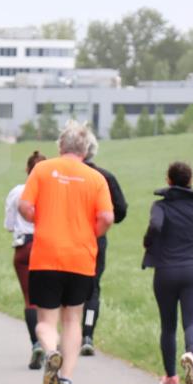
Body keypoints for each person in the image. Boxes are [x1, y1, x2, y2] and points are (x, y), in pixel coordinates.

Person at [18, 121, 113, 384]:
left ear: (60, 146)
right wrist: (90, 233)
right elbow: (107, 217)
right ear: (85, 150)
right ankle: (67, 381)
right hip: (81, 257)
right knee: (73, 319)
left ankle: (50, 352)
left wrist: (39, 220)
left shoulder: (42, 170)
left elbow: (25, 206)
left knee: (46, 321)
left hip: (46, 254)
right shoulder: (96, 178)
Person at [141, 162, 193, 384]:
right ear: (190, 180)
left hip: (165, 272)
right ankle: (191, 353)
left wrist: (149, 241)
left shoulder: (160, 207)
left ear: (168, 180)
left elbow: (155, 224)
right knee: (191, 322)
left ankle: (171, 378)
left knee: (168, 326)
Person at [80, 136, 128, 356]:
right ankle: (87, 334)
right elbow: (120, 210)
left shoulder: (66, 175)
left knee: (66, 288)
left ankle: (63, 335)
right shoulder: (105, 177)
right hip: (96, 239)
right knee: (93, 288)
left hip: (67, 238)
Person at [4, 150, 47, 370]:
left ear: (27, 170)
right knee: (48, 301)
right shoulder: (51, 191)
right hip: (45, 246)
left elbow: (9, 225)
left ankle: (36, 343)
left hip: (22, 247)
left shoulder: (16, 192)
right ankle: (50, 344)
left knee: (30, 299)